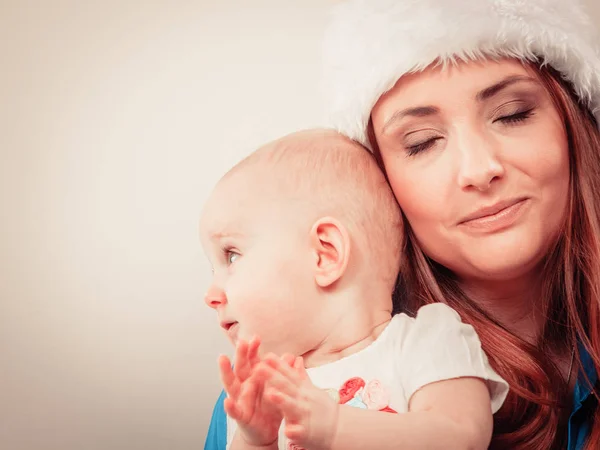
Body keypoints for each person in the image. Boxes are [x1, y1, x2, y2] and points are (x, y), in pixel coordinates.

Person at [206, 0, 600, 448]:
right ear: (383, 179)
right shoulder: (256, 400)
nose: (478, 168)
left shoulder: (430, 349)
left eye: (512, 114)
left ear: (574, 124)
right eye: (422, 142)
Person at [200, 130, 508, 450]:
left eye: (231, 256)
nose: (210, 294)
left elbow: (461, 437)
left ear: (325, 254)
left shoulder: (425, 341)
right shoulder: (257, 391)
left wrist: (335, 428)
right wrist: (258, 441)